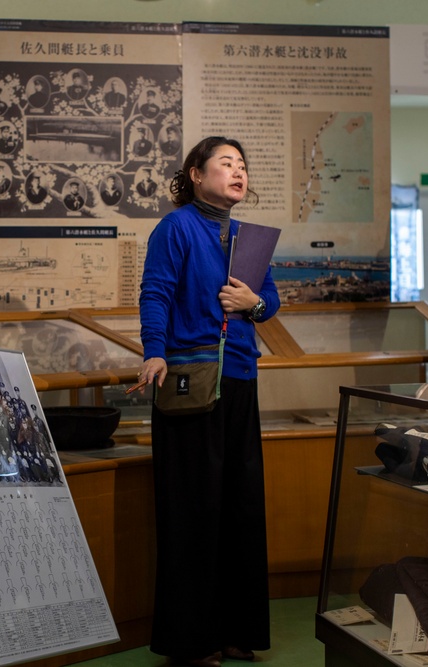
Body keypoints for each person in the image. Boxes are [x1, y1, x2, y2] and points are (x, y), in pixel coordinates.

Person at [138, 136, 278, 667]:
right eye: (226, 163)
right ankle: (192, 640)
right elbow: (155, 292)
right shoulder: (175, 228)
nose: (238, 171)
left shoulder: (249, 235)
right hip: (189, 381)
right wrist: (154, 352)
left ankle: (237, 632)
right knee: (194, 510)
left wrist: (254, 301)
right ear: (196, 174)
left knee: (241, 506)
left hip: (241, 377)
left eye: (243, 164)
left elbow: (272, 300)